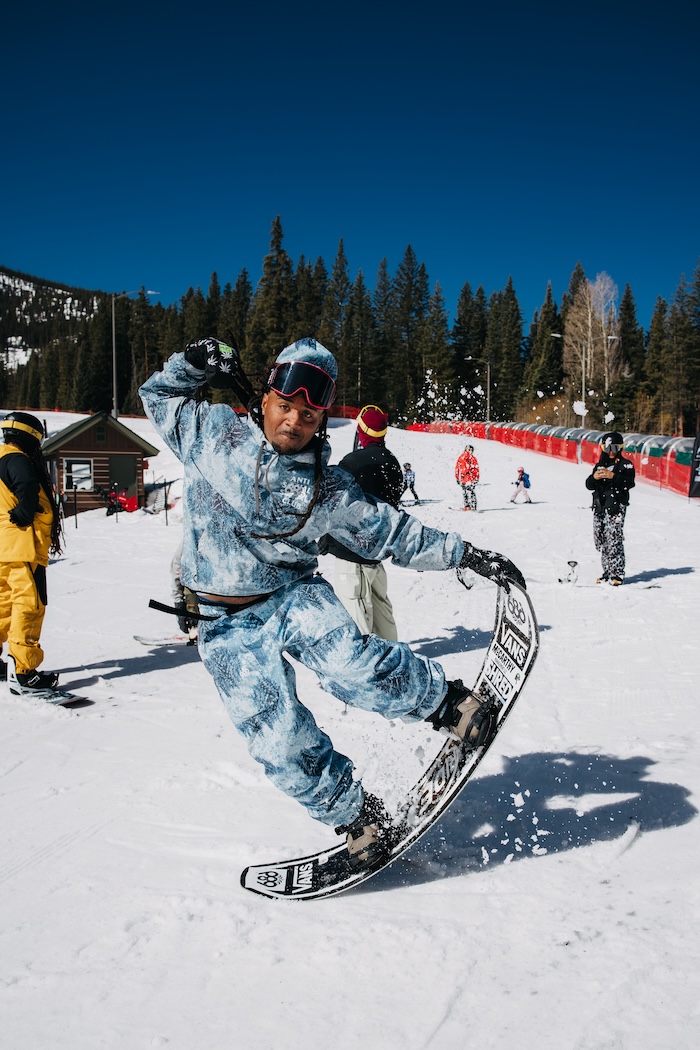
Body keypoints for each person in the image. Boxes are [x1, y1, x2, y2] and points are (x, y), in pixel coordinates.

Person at [139, 336, 525, 872]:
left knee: (354, 665)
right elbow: (158, 396)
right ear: (265, 398)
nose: (293, 422)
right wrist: (192, 363)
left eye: (309, 413)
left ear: (323, 419)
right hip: (225, 624)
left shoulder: (328, 488)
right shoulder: (212, 433)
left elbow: (394, 530)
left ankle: (450, 706)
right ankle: (359, 818)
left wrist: (467, 555)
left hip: (293, 594)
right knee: (276, 738)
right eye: (285, 407)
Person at [320, 405, 403, 640]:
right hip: (376, 554)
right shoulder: (393, 463)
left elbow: (336, 506)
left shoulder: (353, 462)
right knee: (382, 614)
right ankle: (394, 663)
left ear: (361, 430)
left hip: (351, 555)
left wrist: (326, 537)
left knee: (357, 617)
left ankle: (366, 672)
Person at [0, 412, 63, 693]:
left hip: (3, 547)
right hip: (23, 546)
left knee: (3, 605)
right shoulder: (18, 460)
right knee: (29, 605)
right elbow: (25, 483)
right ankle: (25, 673)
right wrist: (26, 513)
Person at [585, 432, 635, 585]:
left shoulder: (625, 464)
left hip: (616, 506)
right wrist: (595, 477)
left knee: (614, 539)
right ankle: (607, 571)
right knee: (601, 539)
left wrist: (613, 476)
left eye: (614, 448)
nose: (611, 451)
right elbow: (588, 484)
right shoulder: (600, 464)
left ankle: (617, 573)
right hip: (600, 507)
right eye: (607, 448)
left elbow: (629, 482)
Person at [171, 537, 200, 639]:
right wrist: (178, 603)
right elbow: (177, 568)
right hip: (196, 585)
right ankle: (195, 626)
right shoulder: (190, 539)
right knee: (191, 591)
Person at [455, 444, 480, 511]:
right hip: (469, 478)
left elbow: (457, 468)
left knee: (466, 492)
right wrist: (477, 478)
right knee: (470, 492)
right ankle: (472, 506)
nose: (470, 451)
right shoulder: (471, 458)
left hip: (465, 478)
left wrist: (457, 477)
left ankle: (468, 506)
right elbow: (476, 469)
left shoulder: (462, 457)